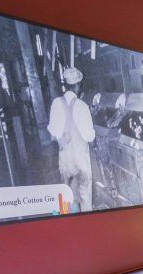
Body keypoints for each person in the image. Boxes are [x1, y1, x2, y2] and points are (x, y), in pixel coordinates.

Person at [47, 67, 95, 212]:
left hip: (65, 161)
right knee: (85, 197)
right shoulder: (83, 106)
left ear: (66, 85)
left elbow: (52, 132)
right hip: (81, 161)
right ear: (78, 85)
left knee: (68, 197)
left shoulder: (55, 104)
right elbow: (90, 136)